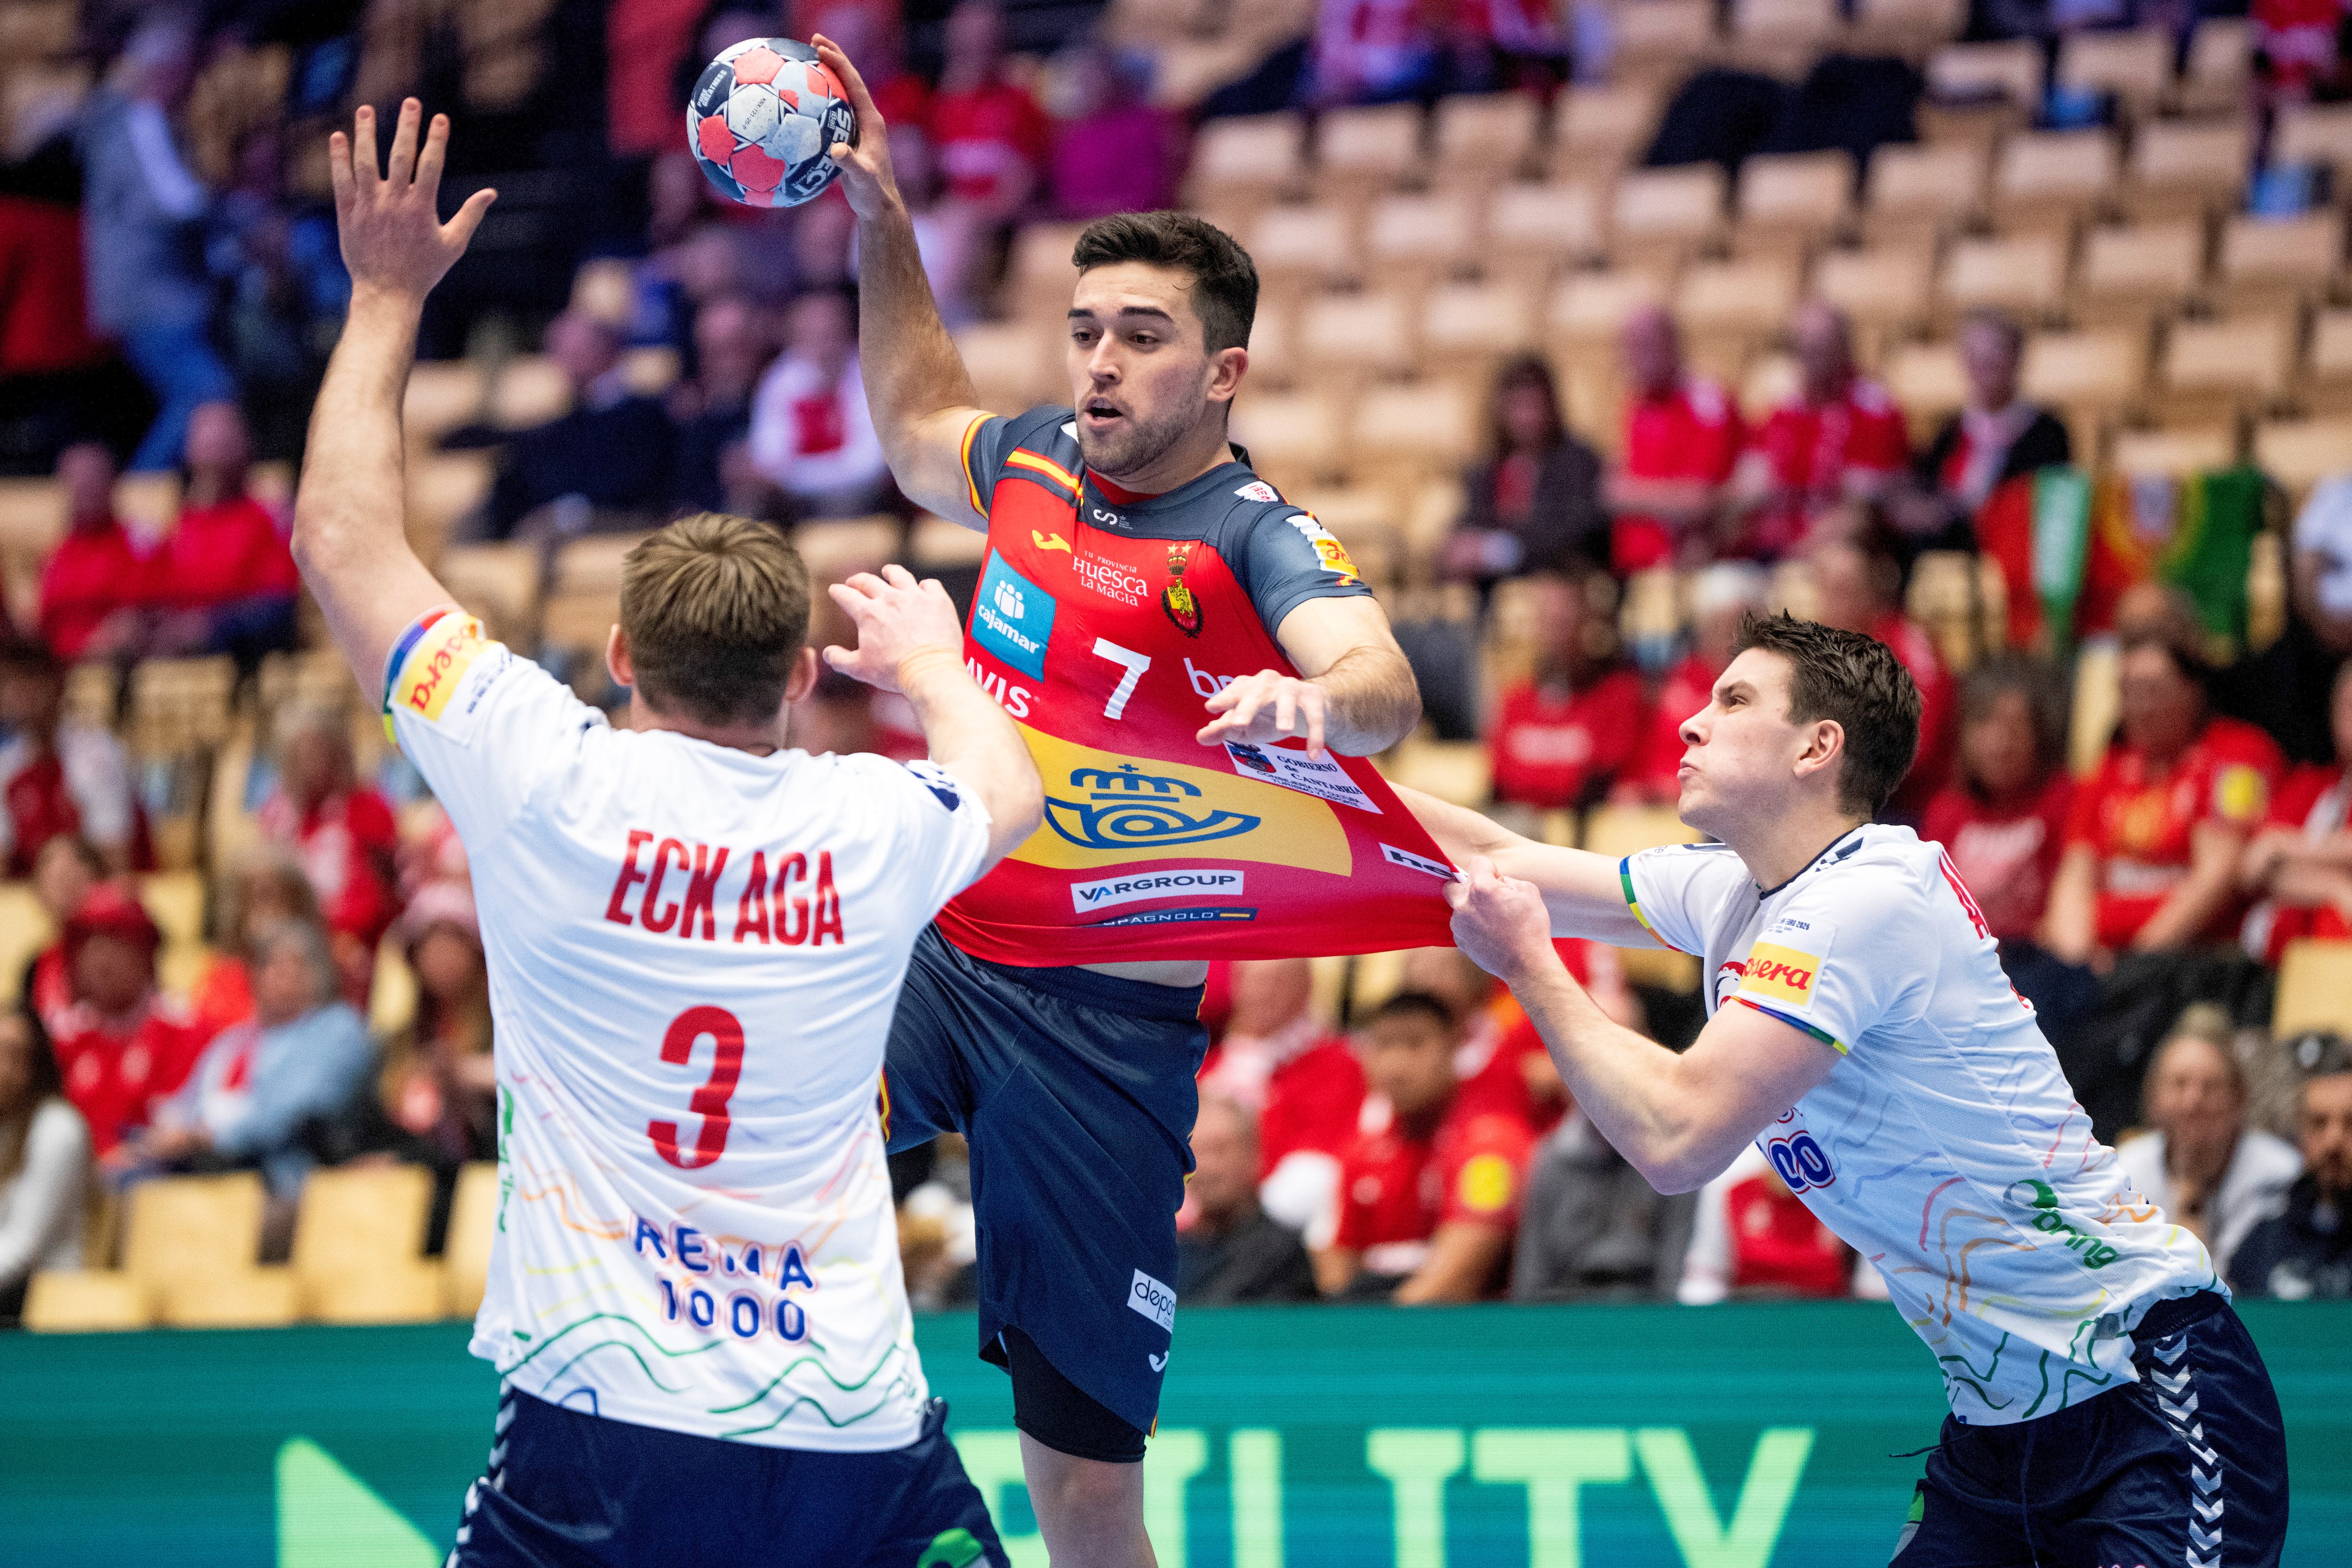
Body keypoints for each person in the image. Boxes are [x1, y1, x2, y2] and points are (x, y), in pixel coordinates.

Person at [301, 98, 1039, 1562]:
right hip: (845, 1421)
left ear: (622, 653)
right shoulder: (868, 820)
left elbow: (341, 538)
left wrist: (386, 292)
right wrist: (933, 659)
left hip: (599, 1419)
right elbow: (1006, 785)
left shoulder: (538, 772)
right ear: (800, 674)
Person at [821, 33, 1448, 1561]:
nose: (1098, 361)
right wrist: (885, 232)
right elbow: (915, 426)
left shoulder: (1253, 536)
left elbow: (1382, 677)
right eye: (1088, 327)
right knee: (774, 1173)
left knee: (1087, 1487)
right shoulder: (1033, 458)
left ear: (1223, 371)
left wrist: (1322, 701)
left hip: (1104, 1033)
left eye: (1143, 335)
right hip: (938, 948)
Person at [1403, 611, 2287, 1566]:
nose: (1691, 721)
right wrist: (1277, 763)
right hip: (1995, 1427)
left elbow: (1677, 1135)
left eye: (1733, 699)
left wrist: (1530, 967)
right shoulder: (1734, 890)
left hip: (2148, 1387)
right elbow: (1490, 858)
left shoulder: (1866, 898)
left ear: (1817, 747)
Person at [2047, 634, 2287, 967]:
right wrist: (2077, 964)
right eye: (2127, 690)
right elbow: (2076, 872)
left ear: (2192, 690)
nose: (2139, 704)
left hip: (2194, 959)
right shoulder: (2108, 768)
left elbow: (2218, 874)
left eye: (2152, 689)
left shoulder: (2238, 756)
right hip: (2103, 962)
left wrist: (2138, 962)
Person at [77, 19, 234, 473]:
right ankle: (141, 496)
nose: (193, 84)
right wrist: (232, 208)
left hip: (165, 295)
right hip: (153, 299)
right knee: (207, 395)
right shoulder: (138, 122)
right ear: (165, 71)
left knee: (201, 397)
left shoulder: (150, 124)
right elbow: (175, 202)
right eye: (186, 71)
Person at [130, 919, 375, 1201]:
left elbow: (300, 1112)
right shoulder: (232, 1041)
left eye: (291, 964)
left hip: (286, 1180)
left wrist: (206, 1138)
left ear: (317, 974)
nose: (277, 974)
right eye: (266, 964)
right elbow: (185, 1105)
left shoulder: (336, 1029)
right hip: (201, 1171)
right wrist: (159, 1135)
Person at [1326, 992, 1536, 1302]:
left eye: (1415, 1044)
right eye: (1383, 1045)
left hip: (1460, 1335)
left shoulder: (1493, 1150)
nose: (1396, 1065)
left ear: (1455, 1046)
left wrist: (1369, 1340)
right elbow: (1336, 1273)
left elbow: (1459, 1276)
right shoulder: (1358, 1156)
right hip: (1376, 1323)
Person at [2115, 1016, 2302, 1284]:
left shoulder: (2283, 1174)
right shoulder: (2125, 1172)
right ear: (2153, 1097)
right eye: (2180, 1084)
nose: (2193, 1102)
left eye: (2211, 1086)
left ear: (2240, 1099)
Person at [1729, 301, 1911, 561]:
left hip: (1839, 554)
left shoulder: (1874, 410)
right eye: (1803, 348)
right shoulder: (1780, 409)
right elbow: (1748, 491)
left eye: (1822, 349)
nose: (1810, 358)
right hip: (1768, 548)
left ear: (1845, 349)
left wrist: (1796, 556)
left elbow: (1861, 512)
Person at [1198, 957, 1364, 1236]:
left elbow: (1321, 1161)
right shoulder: (1208, 1065)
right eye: (1253, 981)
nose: (1262, 993)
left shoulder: (1337, 1065)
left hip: (1278, 1223)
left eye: (1278, 982)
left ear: (1306, 988)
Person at [482, 311, 675, 538]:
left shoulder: (645, 414)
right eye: (560, 352)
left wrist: (570, 507)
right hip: (564, 512)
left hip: (623, 515)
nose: (566, 361)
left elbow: (640, 481)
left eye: (576, 350)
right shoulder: (566, 419)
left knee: (544, 529)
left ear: (606, 349)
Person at [255, 708, 402, 1003]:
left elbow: (382, 894)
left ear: (340, 753)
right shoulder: (276, 813)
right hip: (290, 936)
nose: (312, 762)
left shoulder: (369, 808)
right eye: (302, 752)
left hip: (355, 940)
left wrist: (330, 935)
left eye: (320, 749)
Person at [50, 883, 204, 1162]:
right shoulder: (57, 1040)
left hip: (156, 1186)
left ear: (146, 955)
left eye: (116, 946)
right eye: (88, 949)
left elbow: (179, 1132)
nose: (101, 963)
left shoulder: (186, 1032)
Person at [1895, 308, 2070, 549]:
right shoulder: (1952, 429)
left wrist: (1954, 516)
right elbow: (1928, 485)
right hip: (1943, 543)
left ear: (2017, 358)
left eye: (1993, 356)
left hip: (2007, 547)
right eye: (1974, 357)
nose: (1983, 367)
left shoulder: (2046, 433)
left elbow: (2039, 506)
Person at [1810, 534, 1955, 813]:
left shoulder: (1907, 643)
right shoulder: (1817, 650)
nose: (1832, 602)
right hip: (1836, 790)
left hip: (1905, 803)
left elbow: (1921, 742)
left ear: (1870, 592)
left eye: (1844, 590)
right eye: (1826, 590)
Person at [153, 401, 301, 666]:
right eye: (205, 444)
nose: (212, 455)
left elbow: (278, 611)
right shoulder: (176, 527)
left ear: (246, 450)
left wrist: (212, 628)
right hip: (168, 662)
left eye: (223, 444)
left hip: (235, 659)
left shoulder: (267, 520)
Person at [1487, 572, 1650, 812]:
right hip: (1522, 829)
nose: (1554, 634)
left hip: (1588, 831)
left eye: (1563, 621)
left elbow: (1609, 778)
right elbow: (1503, 778)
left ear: (1587, 622)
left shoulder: (1617, 694)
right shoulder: (1516, 700)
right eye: (1545, 620)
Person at [1443, 356, 1606, 591]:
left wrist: (1498, 550)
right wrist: (1455, 551)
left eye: (1534, 404)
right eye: (1517, 405)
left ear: (1551, 406)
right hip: (1493, 595)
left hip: (1560, 587)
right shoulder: (1486, 471)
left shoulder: (1578, 462)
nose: (1527, 417)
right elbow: (1469, 527)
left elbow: (1578, 533)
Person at [1511, 1097, 1694, 1303]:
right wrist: (1528, 1323)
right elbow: (1533, 1262)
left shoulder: (1670, 1158)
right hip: (1566, 1307)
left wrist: (1665, 1323)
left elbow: (1676, 1257)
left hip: (1643, 1307)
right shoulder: (1552, 1159)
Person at [1604, 307, 1743, 574]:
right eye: (1629, 348)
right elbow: (1607, 491)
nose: (1635, 358)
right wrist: (1660, 497)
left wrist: (1632, 495)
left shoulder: (1706, 403)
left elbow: (1699, 501)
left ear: (1672, 342)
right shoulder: (1634, 408)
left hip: (1689, 566)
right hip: (1632, 570)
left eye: (1645, 345)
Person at [1621, 561, 1768, 803]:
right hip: (1657, 801)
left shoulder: (1761, 687)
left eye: (1738, 626)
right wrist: (1634, 785)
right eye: (1719, 625)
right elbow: (1642, 749)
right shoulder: (1676, 677)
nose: (1729, 638)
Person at [2239, 657, 2352, 964]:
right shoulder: (2310, 783)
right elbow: (2253, 866)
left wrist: (2286, 847)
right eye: (2346, 705)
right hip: (2276, 965)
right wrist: (2336, 886)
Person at [376, 880, 497, 1166]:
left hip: (484, 1174)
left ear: (478, 953)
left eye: (453, 944)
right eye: (431, 947)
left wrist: (463, 1076)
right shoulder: (401, 1040)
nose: (441, 958)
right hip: (416, 1179)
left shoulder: (501, 1028)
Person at [745, 288, 890, 519]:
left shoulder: (873, 376)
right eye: (810, 335)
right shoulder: (779, 380)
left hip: (858, 498)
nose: (821, 346)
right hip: (794, 503)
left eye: (829, 334)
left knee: (846, 504)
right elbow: (768, 459)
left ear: (848, 333)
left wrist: (796, 475)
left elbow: (870, 466)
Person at [0, 639, 138, 876]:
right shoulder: (7, 766)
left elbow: (115, 862)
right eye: (7, 682)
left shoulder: (98, 754)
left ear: (56, 684)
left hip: (95, 896)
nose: (14, 693)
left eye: (26, 681)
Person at [2232, 1034, 2352, 1299]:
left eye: (2350, 1123)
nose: (2334, 1142)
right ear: (2300, 1135)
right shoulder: (2266, 1236)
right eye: (2319, 1123)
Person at [1175, 1094, 1318, 1303]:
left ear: (1254, 1155)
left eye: (1220, 1150)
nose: (1206, 1168)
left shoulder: (1281, 1252)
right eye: (1197, 1153)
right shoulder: (1174, 1252)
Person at [1677, 1142, 1855, 1303]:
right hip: (1749, 1313)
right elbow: (1706, 1274)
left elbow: (1872, 1281)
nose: (1790, 1168)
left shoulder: (1842, 1190)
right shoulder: (1732, 1183)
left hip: (1830, 1314)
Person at [0, 1006, 90, 1323]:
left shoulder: (58, 1128)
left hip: (44, 1310)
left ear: (36, 1066)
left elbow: (22, 1248)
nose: (3, 1069)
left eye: (15, 1056)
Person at [37, 441, 160, 662]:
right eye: (77, 481)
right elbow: (45, 627)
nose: (85, 488)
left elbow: (140, 618)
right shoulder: (56, 556)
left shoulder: (139, 544)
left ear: (113, 483)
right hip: (57, 669)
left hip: (116, 665)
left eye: (93, 479)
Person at [187, 848, 326, 1042]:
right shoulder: (224, 976)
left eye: (272, 895)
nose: (263, 912)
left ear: (299, 904)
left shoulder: (328, 968)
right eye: (251, 896)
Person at [667, 293, 772, 515]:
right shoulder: (685, 419)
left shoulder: (782, 394)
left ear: (758, 346)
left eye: (736, 346)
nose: (727, 361)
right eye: (714, 350)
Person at [22, 835, 104, 1036]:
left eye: (72, 872)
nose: (65, 878)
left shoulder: (127, 952)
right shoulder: (35, 969)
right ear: (39, 896)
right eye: (55, 877)